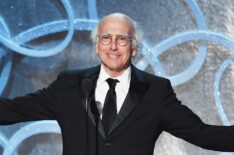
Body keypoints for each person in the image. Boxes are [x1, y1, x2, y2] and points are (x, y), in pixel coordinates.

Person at [0, 13, 234, 155]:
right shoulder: (69, 84)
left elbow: (203, 134)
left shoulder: (156, 91)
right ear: (97, 46)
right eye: (106, 38)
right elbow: (12, 110)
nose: (113, 46)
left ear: (134, 47)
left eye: (122, 39)